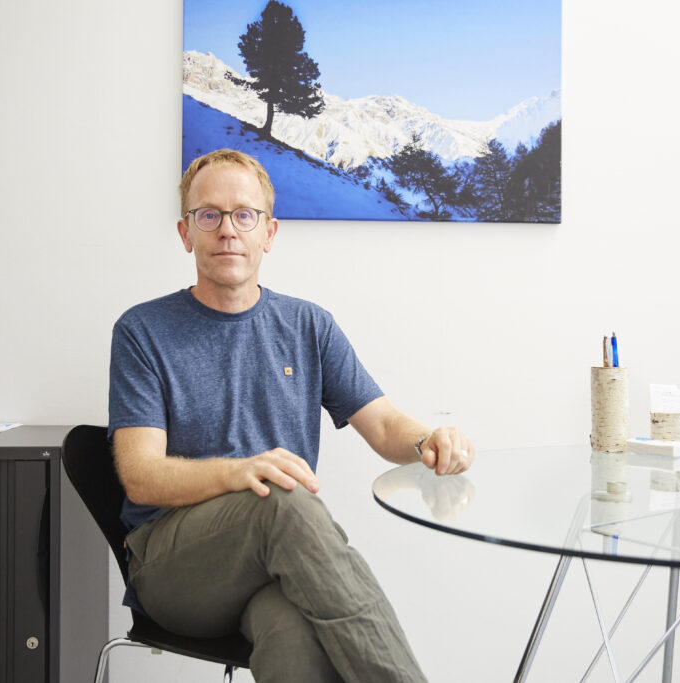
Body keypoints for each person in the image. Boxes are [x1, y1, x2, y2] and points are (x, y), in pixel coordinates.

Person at [108, 148, 475, 683]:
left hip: (275, 562)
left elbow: (385, 424)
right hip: (175, 567)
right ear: (186, 233)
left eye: (243, 215)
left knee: (296, 634)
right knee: (281, 498)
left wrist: (428, 440)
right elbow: (141, 478)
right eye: (208, 215)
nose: (227, 230)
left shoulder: (309, 326)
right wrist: (237, 471)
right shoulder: (143, 331)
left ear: (269, 232)